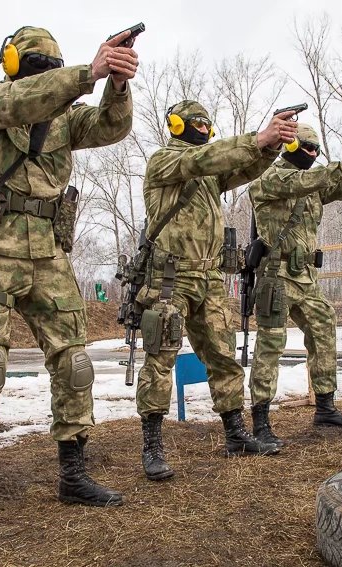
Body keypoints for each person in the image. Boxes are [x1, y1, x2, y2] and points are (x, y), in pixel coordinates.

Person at [0, 26, 138, 551]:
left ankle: (72, 471)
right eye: (38, 61)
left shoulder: (66, 116)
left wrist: (116, 83)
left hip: (49, 254)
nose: (47, 69)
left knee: (75, 363)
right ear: (11, 63)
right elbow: (25, 100)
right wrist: (85, 74)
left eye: (56, 61)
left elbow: (112, 127)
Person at [136, 100, 298, 481]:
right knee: (161, 358)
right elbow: (203, 159)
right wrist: (258, 136)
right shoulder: (165, 161)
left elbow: (243, 168)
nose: (205, 129)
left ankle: (235, 433)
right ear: (176, 125)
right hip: (170, 280)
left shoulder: (210, 174)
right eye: (197, 123)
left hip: (209, 279)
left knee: (223, 356)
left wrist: (271, 146)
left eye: (209, 124)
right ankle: (152, 444)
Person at [246, 125, 342, 446]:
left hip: (305, 275)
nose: (314, 155)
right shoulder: (271, 178)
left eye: (318, 150)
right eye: (309, 148)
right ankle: (261, 420)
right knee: (271, 346)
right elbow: (309, 179)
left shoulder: (310, 182)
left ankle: (325, 406)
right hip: (275, 276)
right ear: (290, 146)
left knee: (324, 328)